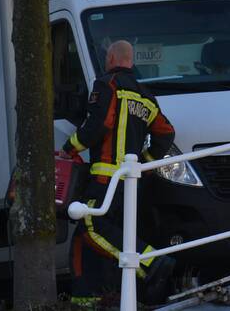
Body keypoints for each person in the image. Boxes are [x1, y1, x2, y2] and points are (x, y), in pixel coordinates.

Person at [64, 40, 178, 306]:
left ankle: (151, 262)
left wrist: (69, 148)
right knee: (88, 236)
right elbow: (166, 132)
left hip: (106, 178)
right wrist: (145, 164)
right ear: (131, 60)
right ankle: (85, 299)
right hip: (131, 183)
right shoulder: (145, 94)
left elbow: (99, 125)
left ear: (113, 58)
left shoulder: (107, 84)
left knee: (92, 227)